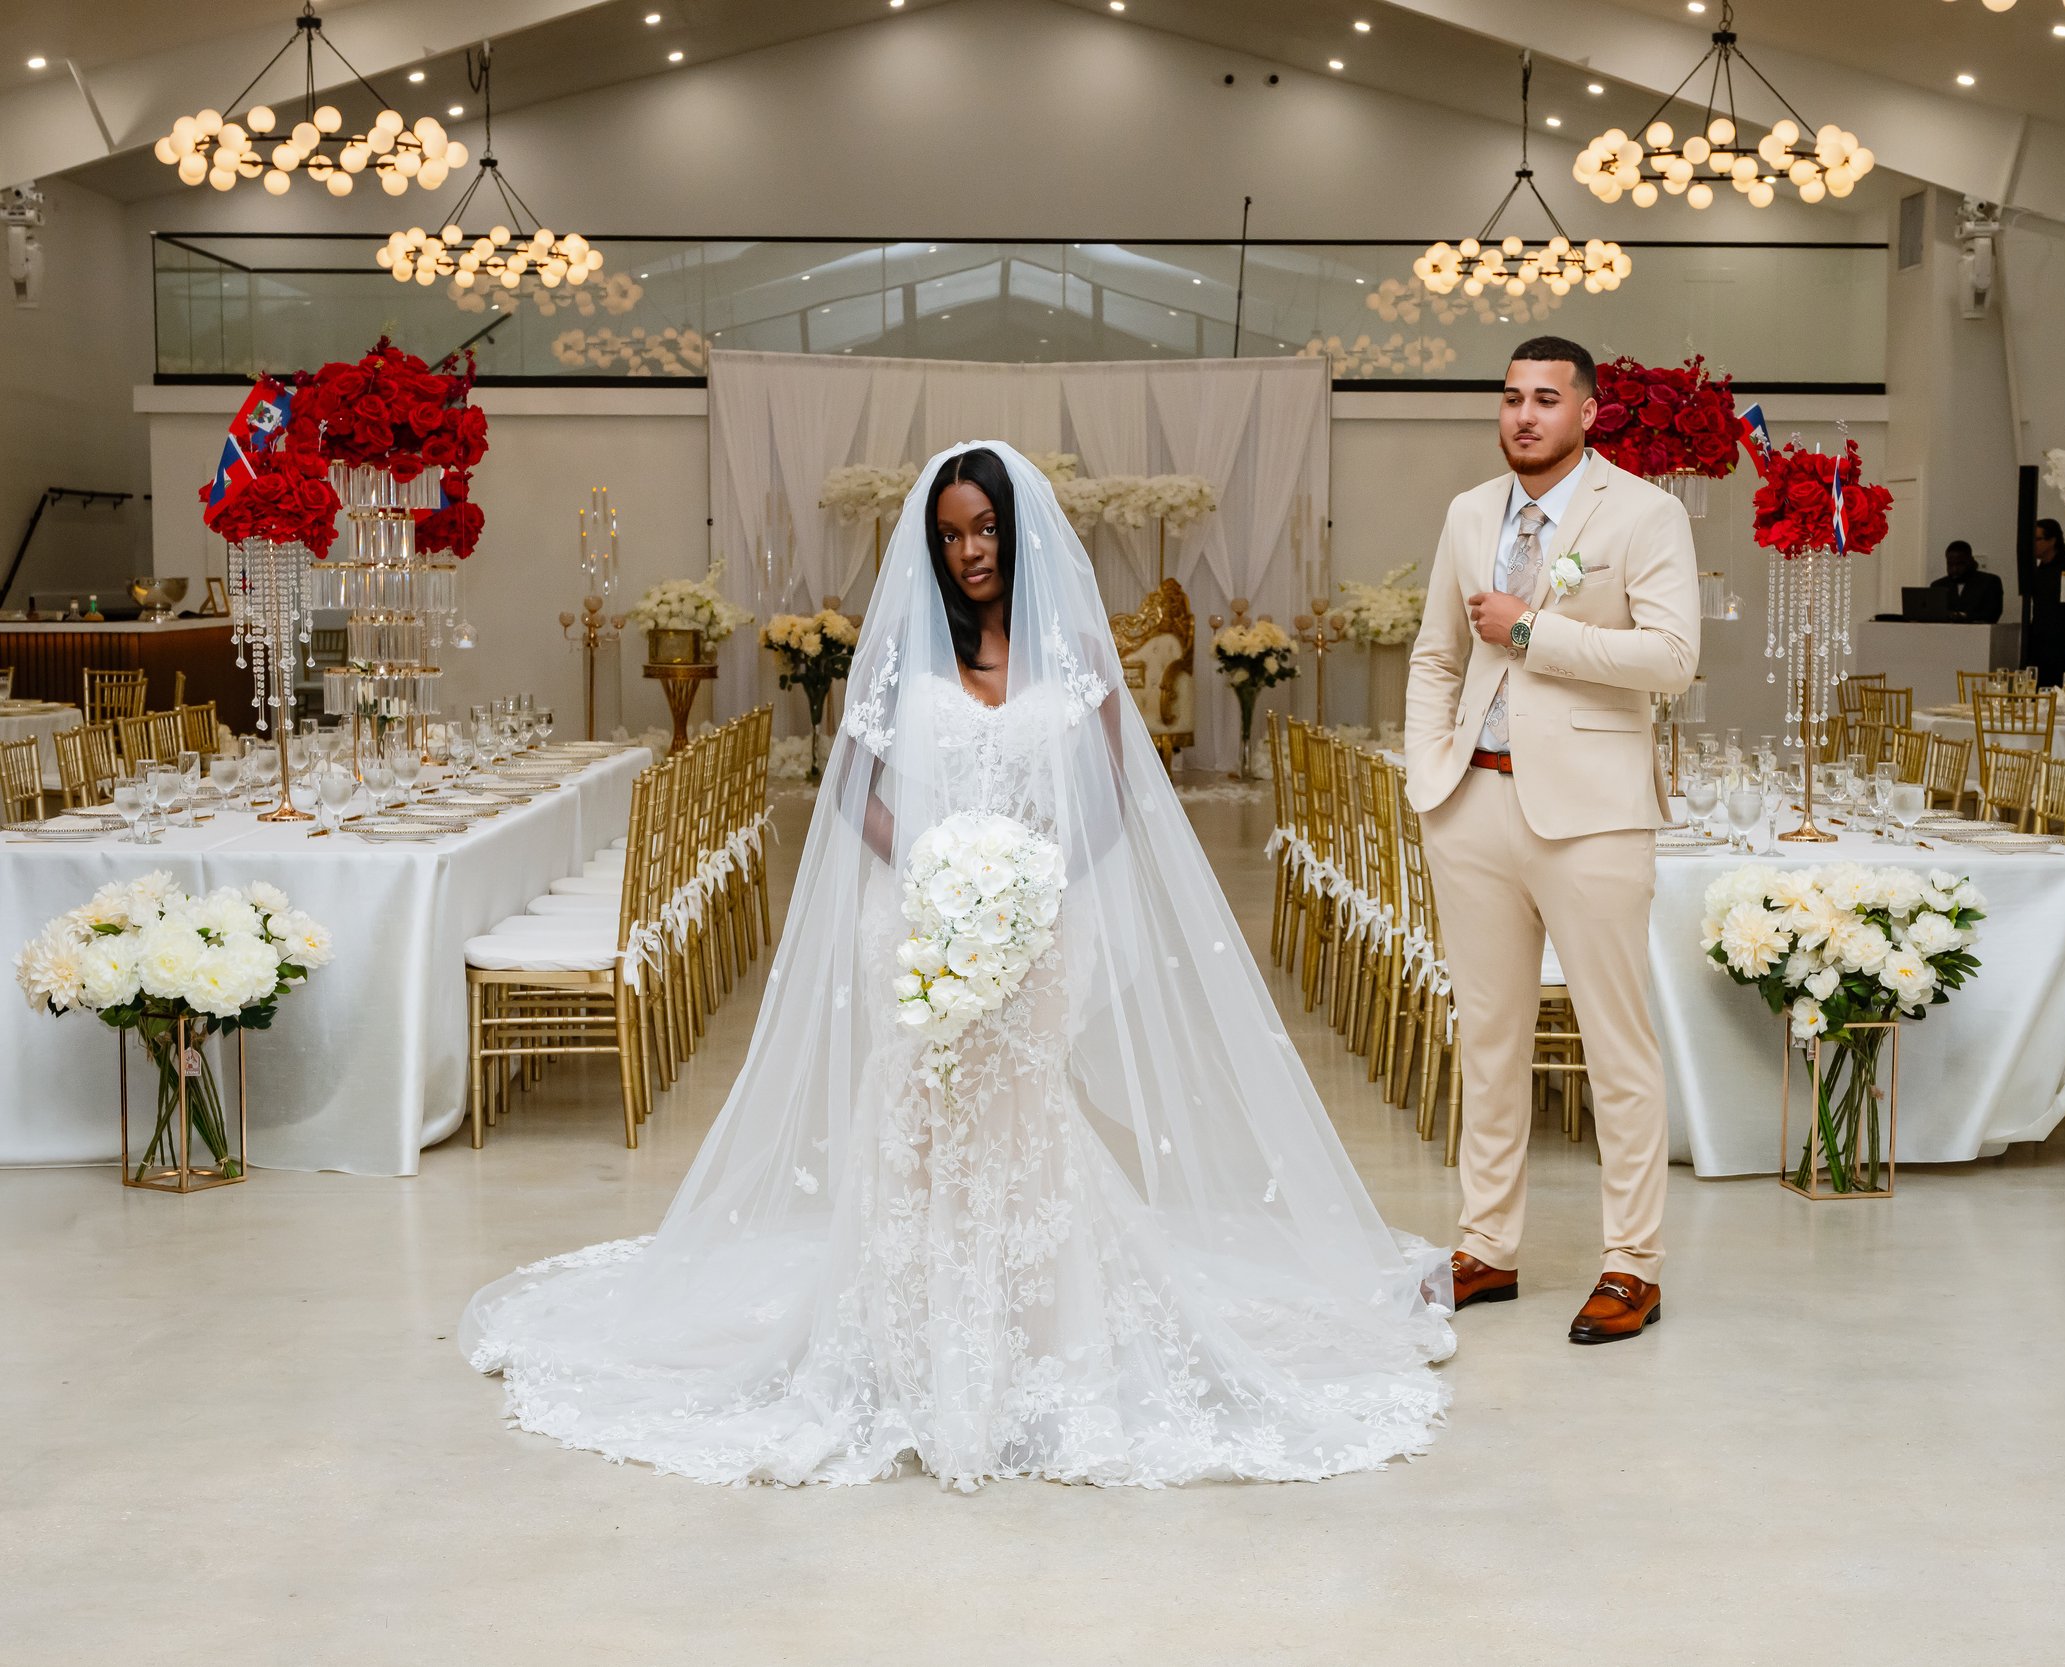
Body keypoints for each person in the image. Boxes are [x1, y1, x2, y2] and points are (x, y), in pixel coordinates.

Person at [461, 443, 1455, 1489]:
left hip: (1040, 919)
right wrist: (929, 868)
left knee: (1022, 1115)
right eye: (949, 534)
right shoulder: (908, 652)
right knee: (918, 1118)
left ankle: (1032, 1341)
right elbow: (853, 780)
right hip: (916, 916)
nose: (968, 550)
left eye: (983, 529)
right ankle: (905, 1342)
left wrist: (1040, 881)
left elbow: (1121, 787)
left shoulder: (1072, 648)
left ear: (1016, 532)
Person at [1405, 336, 1700, 1346]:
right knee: (1486, 1039)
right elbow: (1436, 654)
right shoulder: (1465, 513)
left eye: (1544, 399)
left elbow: (1670, 657)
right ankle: (1485, 1245)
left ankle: (1634, 1264)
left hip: (1593, 814)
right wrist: (1428, 773)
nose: (1523, 415)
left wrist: (1531, 629)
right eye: (1510, 398)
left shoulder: (1647, 513)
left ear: (1586, 413)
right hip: (1473, 805)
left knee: (1618, 1044)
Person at [2019, 517, 2065, 676]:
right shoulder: (2039, 569)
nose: (2033, 544)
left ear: (2052, 540)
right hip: (2041, 644)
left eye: (2037, 539)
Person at [1936, 540, 2003, 622]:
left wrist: (1963, 616)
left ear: (1971, 561)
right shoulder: (1938, 586)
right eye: (1950, 564)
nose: (1954, 569)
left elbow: (1991, 615)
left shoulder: (1989, 582)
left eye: (1960, 564)